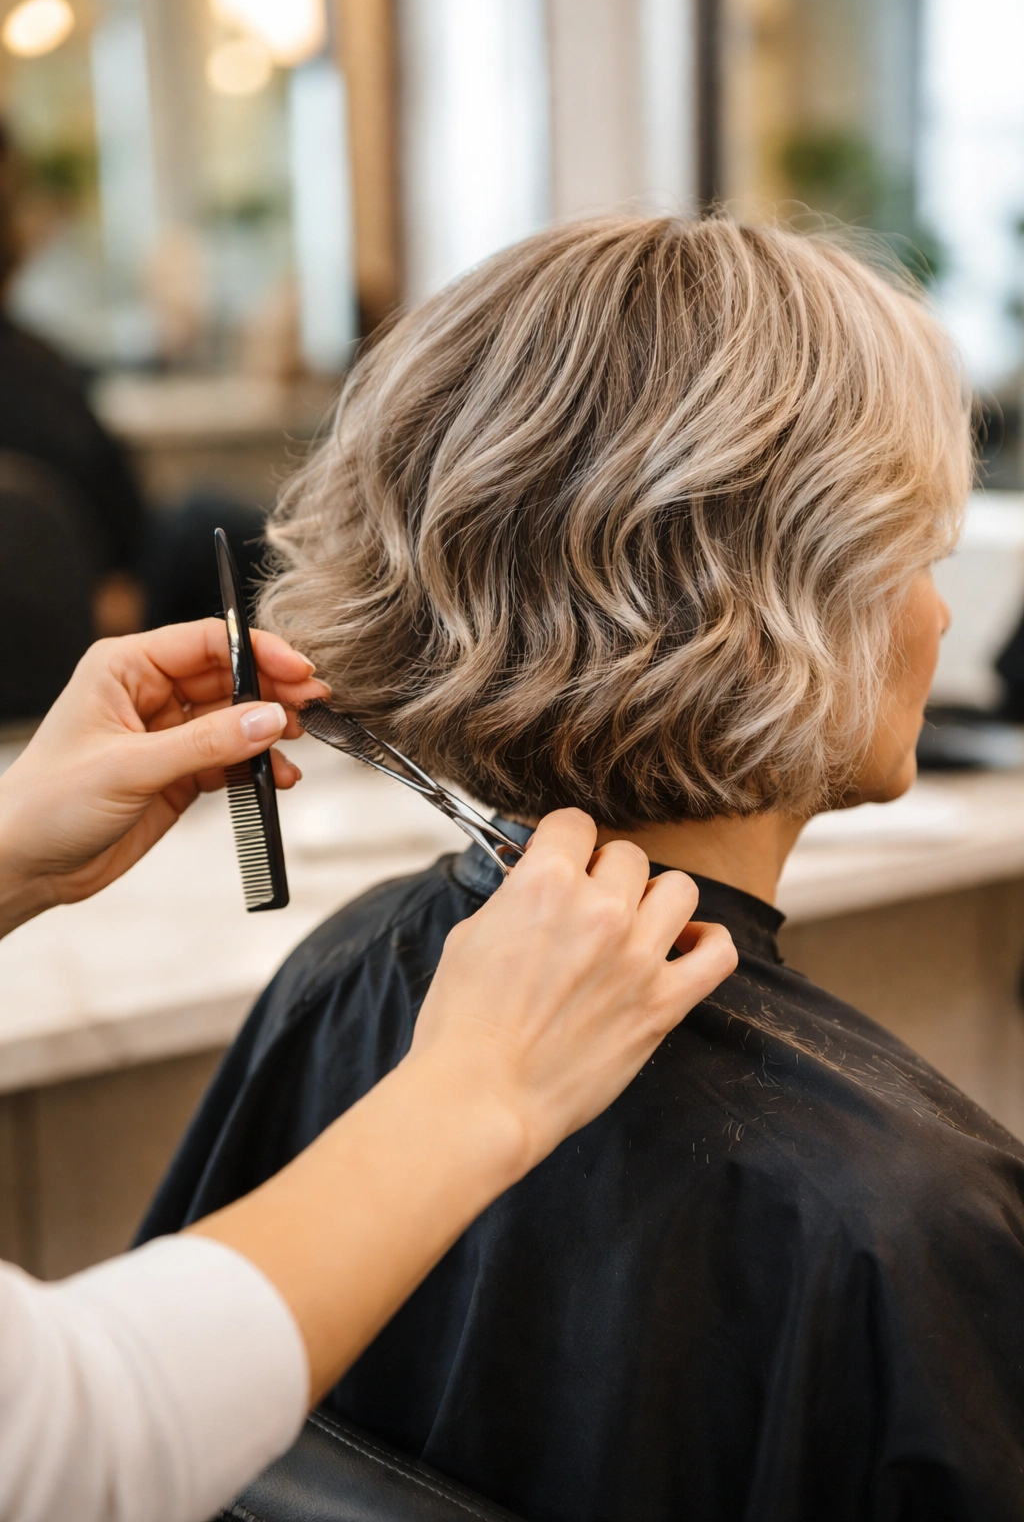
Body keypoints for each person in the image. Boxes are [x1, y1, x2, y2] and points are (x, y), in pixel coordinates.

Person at [139, 216, 1024, 1522]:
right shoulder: (915, 1220)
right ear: (787, 605)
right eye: (918, 560)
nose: (941, 616)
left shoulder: (342, 973)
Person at [0, 619, 736, 1522]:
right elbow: (80, 1443)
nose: (939, 617)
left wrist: (12, 846)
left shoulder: (339, 962)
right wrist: (483, 1082)